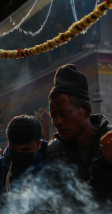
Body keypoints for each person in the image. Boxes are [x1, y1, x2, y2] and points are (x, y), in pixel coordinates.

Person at [46, 64, 112, 202]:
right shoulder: (54, 152)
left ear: (86, 110)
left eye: (63, 114)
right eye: (53, 116)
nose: (57, 122)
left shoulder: (109, 142)